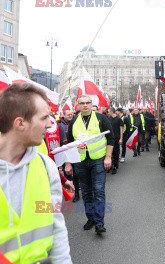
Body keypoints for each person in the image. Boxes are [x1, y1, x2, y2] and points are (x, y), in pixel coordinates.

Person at [0, 83, 71, 263]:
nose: (49, 125)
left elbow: (57, 227)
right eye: (44, 118)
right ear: (20, 123)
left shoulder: (46, 166)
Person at [67, 95, 114, 235]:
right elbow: (70, 142)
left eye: (88, 103)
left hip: (98, 160)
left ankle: (100, 223)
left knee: (98, 191)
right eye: (82, 103)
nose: (85, 105)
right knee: (86, 192)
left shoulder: (101, 118)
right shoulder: (74, 121)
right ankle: (91, 218)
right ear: (78, 105)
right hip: (80, 161)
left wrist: (108, 157)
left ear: (91, 104)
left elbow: (111, 138)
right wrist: (68, 163)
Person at [107, 108, 123, 174]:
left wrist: (121, 138)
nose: (108, 113)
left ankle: (115, 167)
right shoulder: (109, 118)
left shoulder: (119, 119)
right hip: (110, 138)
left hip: (116, 138)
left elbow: (121, 129)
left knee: (115, 153)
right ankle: (110, 166)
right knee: (110, 153)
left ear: (111, 111)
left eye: (108, 112)